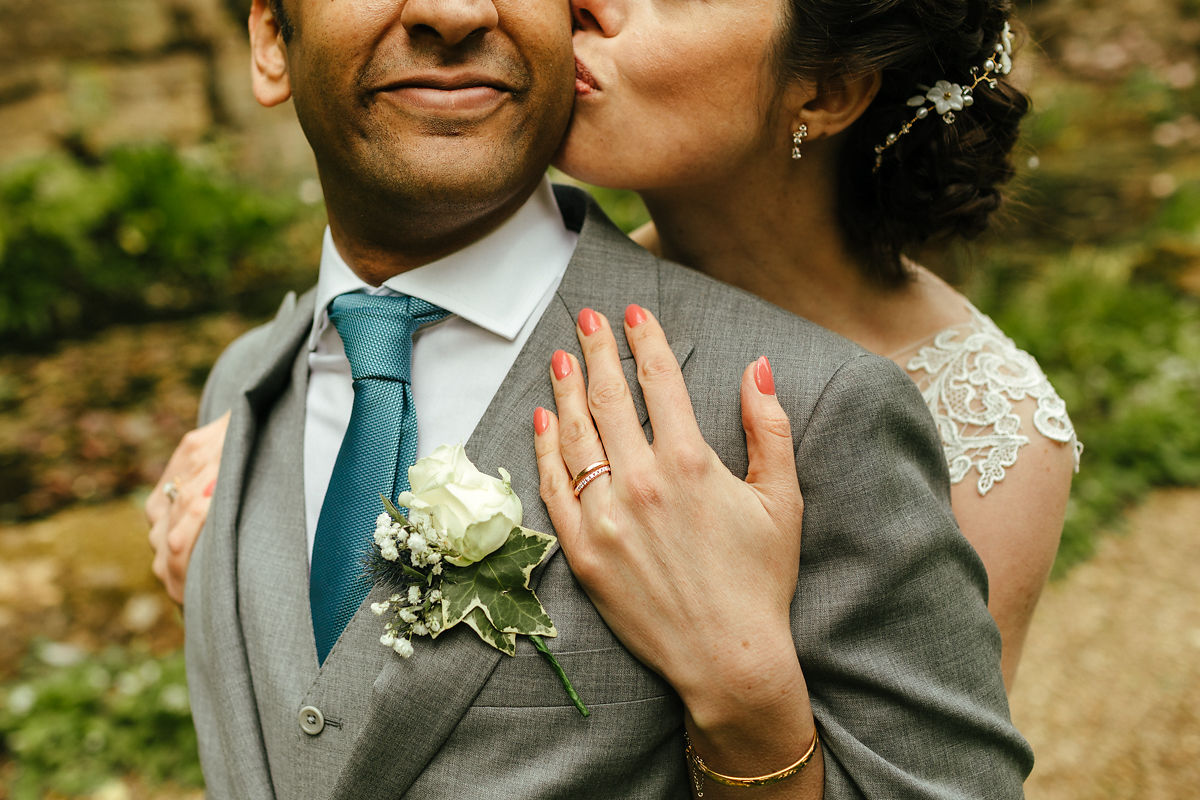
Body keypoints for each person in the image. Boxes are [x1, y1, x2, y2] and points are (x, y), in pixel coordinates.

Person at [151, 0, 1032, 797]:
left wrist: (744, 697)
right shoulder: (246, 388)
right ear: (270, 40)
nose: (456, 10)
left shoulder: (807, 408)